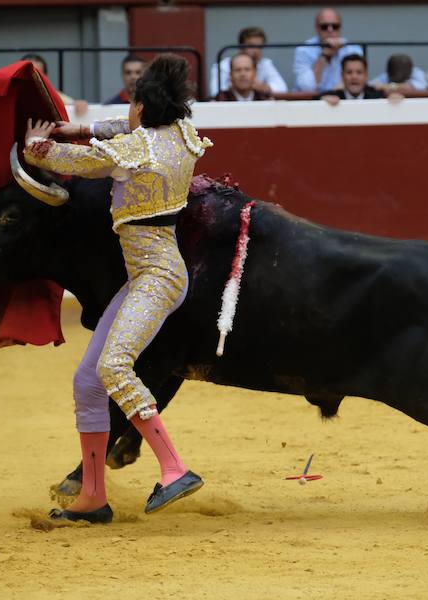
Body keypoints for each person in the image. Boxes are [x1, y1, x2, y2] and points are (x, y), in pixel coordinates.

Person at [21, 54, 212, 524]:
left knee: (113, 366)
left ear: (143, 109)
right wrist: (77, 128)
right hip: (152, 275)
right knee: (88, 381)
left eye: (133, 105)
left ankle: (174, 467)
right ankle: (92, 496)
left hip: (155, 279)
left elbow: (78, 162)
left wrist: (36, 146)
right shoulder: (182, 135)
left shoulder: (134, 152)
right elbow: (118, 132)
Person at [294, 7, 364, 92]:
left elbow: (359, 83)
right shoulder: (304, 50)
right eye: (324, 26)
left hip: (342, 100)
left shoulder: (353, 49)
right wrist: (324, 55)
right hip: (313, 101)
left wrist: (335, 93)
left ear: (340, 28)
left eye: (335, 26)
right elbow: (306, 88)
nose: (330, 30)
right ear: (317, 28)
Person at [209, 26, 287, 97]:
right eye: (251, 46)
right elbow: (215, 92)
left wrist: (263, 87)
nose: (256, 50)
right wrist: (240, 87)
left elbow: (283, 88)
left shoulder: (265, 64)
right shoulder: (223, 65)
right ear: (240, 46)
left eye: (259, 46)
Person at [21, 53, 89, 116]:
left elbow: (73, 103)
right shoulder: (11, 94)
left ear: (45, 77)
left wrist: (78, 104)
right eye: (28, 73)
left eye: (38, 73)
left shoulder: (54, 95)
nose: (33, 77)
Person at [319, 54, 391, 105]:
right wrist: (322, 101)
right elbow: (313, 100)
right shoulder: (334, 95)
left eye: (359, 72)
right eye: (349, 72)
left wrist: (395, 98)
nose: (354, 77)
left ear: (366, 76)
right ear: (342, 76)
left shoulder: (377, 96)